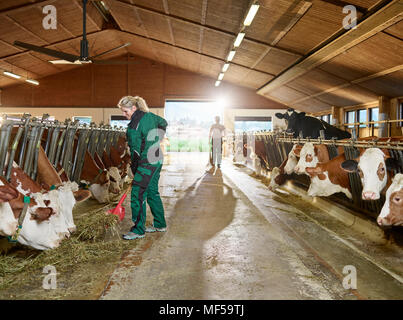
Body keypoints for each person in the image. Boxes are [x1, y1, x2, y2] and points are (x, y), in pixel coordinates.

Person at [117, 96, 168, 240]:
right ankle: (160, 224)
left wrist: (135, 168)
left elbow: (136, 151)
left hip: (147, 162)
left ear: (134, 108)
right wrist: (157, 139)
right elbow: (164, 123)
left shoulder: (134, 126)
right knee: (152, 191)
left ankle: (138, 230)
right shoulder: (150, 116)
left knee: (137, 194)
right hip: (157, 157)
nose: (124, 114)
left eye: (125, 111)